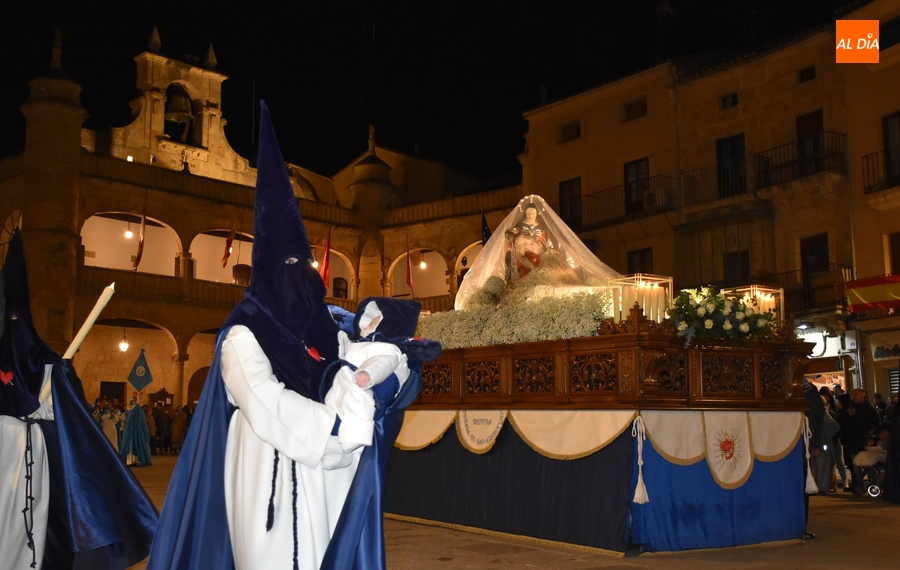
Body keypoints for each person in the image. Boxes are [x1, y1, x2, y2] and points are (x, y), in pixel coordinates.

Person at [149, 103, 426, 570]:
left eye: (304, 272)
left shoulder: (323, 326)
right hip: (265, 473)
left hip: (323, 477)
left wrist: (388, 368)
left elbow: (363, 361)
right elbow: (263, 399)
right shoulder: (243, 334)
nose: (296, 282)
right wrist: (334, 433)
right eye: (285, 272)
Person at [0, 228, 157, 568]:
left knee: (25, 531)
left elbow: (57, 411)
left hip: (26, 457)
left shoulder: (37, 361)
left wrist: (60, 378)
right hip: (11, 453)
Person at [455, 195, 621, 310]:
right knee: (548, 264)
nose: (530, 217)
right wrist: (533, 267)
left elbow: (544, 246)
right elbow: (520, 255)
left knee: (557, 260)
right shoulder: (519, 237)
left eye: (533, 214)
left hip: (544, 255)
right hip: (532, 261)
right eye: (528, 214)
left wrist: (548, 252)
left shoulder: (537, 233)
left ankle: (575, 281)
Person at [120, 395, 152, 467]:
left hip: (136, 429)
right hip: (129, 429)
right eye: (133, 400)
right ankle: (129, 461)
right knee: (129, 443)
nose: (134, 401)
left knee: (136, 443)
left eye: (135, 400)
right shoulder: (129, 409)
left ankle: (136, 460)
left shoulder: (138, 409)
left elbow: (141, 417)